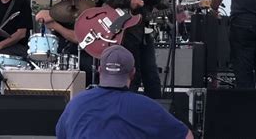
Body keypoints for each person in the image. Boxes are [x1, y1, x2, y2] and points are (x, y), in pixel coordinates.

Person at [56, 45, 193, 139]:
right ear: (133, 73)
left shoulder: (76, 103)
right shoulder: (147, 107)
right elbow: (187, 136)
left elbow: (61, 134)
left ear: (99, 70)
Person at [35, 0, 95, 86]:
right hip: (61, 56)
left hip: (83, 57)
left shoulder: (88, 14)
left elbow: (78, 38)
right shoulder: (59, 10)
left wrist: (55, 26)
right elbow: (39, 16)